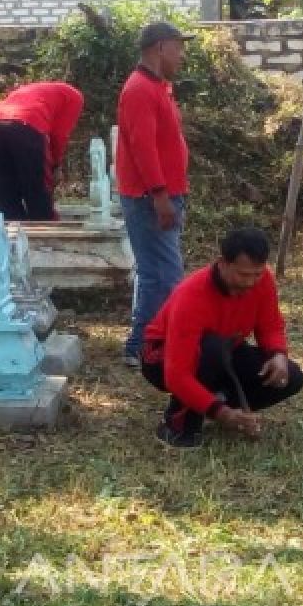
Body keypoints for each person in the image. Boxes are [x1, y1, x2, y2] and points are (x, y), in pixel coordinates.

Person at [139, 227, 303, 448]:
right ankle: (177, 425)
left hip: (224, 350)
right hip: (161, 357)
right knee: (211, 349)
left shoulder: (264, 280)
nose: (250, 282)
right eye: (243, 274)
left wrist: (278, 354)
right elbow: (176, 374)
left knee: (291, 377)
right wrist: (223, 414)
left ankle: (216, 402)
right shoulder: (191, 296)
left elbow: (270, 325)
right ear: (222, 263)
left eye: (257, 274)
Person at [117, 21, 194, 367]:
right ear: (160, 48)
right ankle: (142, 346)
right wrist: (160, 196)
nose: (182, 54)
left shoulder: (157, 87)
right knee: (164, 274)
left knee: (154, 272)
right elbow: (143, 148)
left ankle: (143, 341)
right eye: (178, 47)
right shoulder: (139, 90)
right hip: (150, 199)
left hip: (162, 194)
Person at [0, 81, 83, 221]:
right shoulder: (75, 97)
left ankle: (9, 236)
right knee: (37, 192)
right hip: (25, 126)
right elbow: (59, 135)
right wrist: (55, 164)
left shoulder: (33, 90)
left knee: (6, 193)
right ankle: (45, 236)